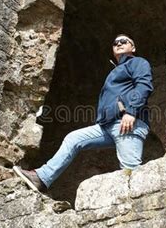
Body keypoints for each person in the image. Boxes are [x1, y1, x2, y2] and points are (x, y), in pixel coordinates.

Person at [14, 34, 153, 193]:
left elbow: (143, 86)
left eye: (124, 41)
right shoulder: (116, 70)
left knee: (131, 173)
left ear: (133, 48)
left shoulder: (137, 62)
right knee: (74, 138)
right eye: (115, 42)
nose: (119, 43)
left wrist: (131, 111)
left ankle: (142, 210)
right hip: (107, 126)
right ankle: (42, 178)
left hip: (128, 123)